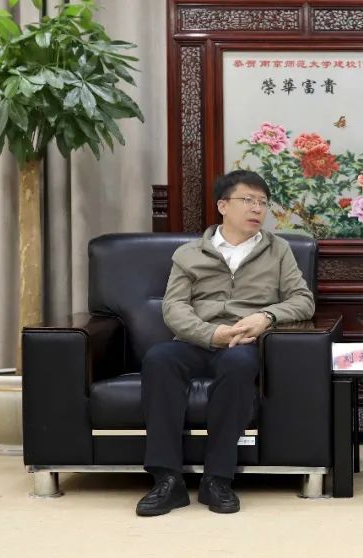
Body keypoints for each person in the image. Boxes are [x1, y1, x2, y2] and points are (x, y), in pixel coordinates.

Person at [135, 170, 315, 516]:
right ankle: (166, 479)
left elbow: (303, 301)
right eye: (248, 200)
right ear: (223, 206)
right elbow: (174, 308)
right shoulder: (189, 254)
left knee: (239, 365)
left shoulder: (278, 251)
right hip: (196, 340)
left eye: (262, 202)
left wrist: (266, 317)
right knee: (159, 359)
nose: (257, 209)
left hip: (243, 344)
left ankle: (217, 478)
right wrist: (209, 333)